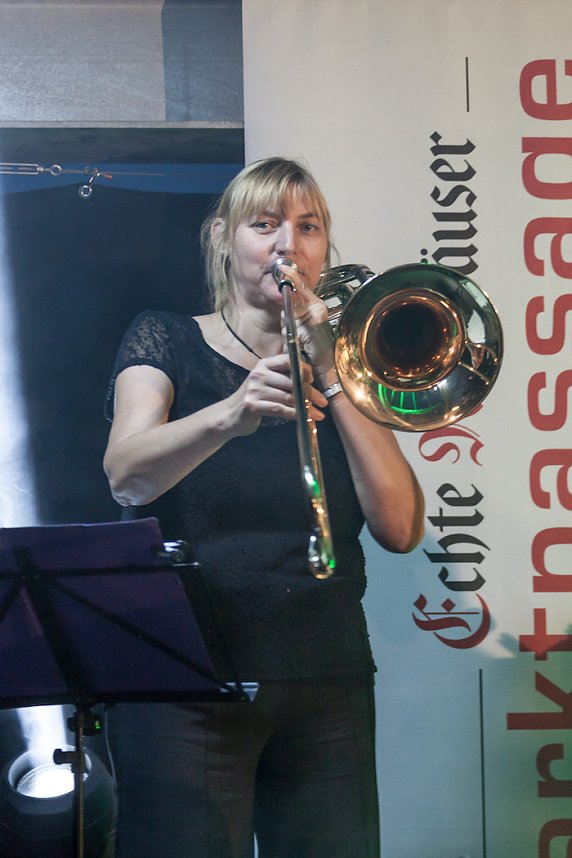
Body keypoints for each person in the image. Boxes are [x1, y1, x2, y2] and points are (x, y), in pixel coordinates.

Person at [103, 156, 424, 858]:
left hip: (324, 676)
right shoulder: (166, 337)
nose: (288, 245)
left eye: (308, 227)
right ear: (224, 238)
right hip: (184, 684)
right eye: (265, 225)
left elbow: (400, 527)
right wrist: (231, 413)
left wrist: (332, 367)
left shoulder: (346, 366)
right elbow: (126, 476)